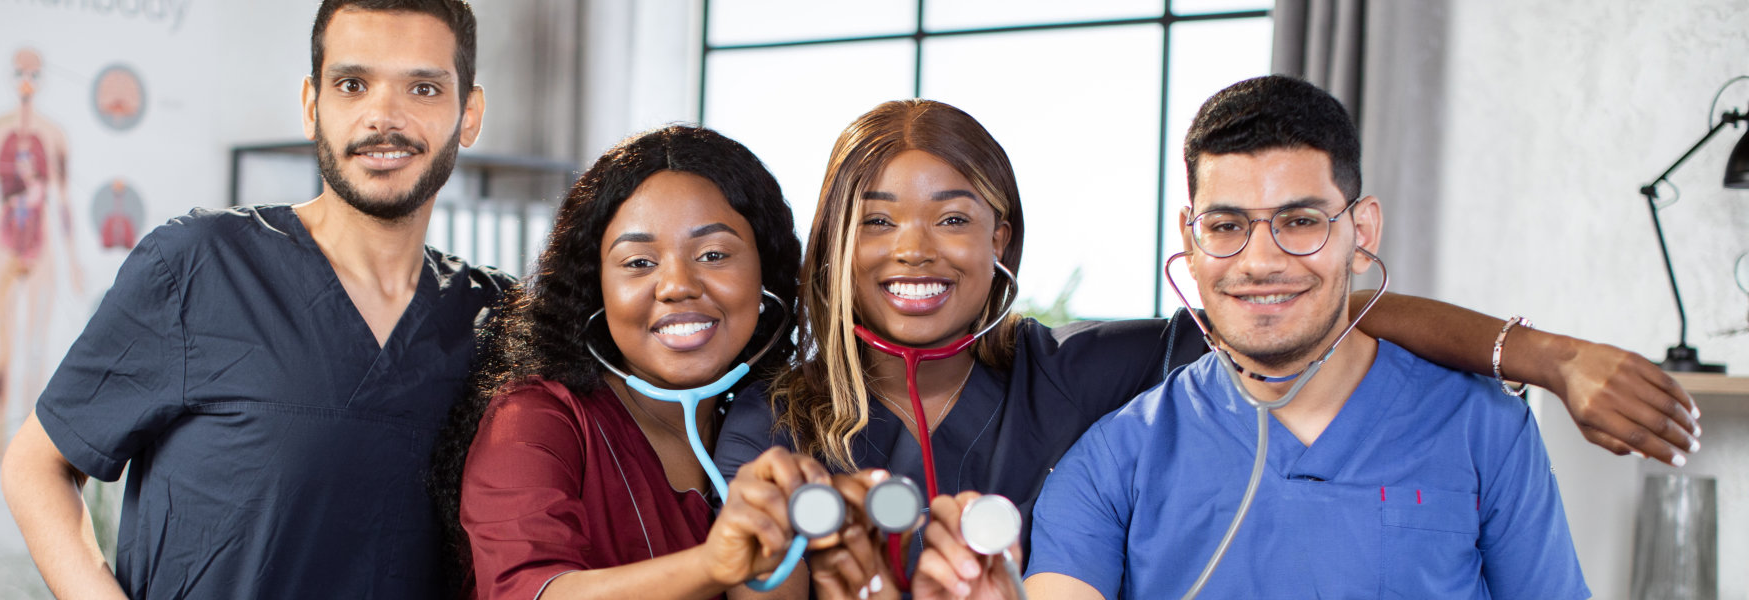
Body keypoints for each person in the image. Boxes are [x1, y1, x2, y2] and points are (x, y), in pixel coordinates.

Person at [714, 99, 1696, 599]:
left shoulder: (1074, 377)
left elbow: (1313, 310)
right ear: (834, 240)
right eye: (876, 219)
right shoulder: (771, 416)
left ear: (1002, 238)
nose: (914, 250)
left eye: (955, 217)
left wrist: (1552, 360)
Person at [922, 75, 1589, 599]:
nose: (1260, 260)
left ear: (1362, 234)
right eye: (1226, 225)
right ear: (1190, 238)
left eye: (1299, 221)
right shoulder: (1111, 462)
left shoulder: (1486, 432)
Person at [0, 1, 504, 597]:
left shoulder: (496, 322)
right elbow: (38, 464)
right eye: (352, 84)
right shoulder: (199, 265)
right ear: (312, 105)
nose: (383, 116)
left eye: (422, 87)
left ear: (468, 114)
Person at [445, 125, 842, 600]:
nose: (677, 285)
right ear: (596, 288)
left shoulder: (775, 431)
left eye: (713, 254)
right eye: (638, 263)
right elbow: (528, 590)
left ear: (766, 276)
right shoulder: (535, 420)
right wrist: (714, 564)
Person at [0, 47, 85, 465]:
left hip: (40, 243)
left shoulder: (53, 133)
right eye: (20, 71)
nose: (26, 79)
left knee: (36, 347)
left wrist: (74, 260)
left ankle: (26, 452)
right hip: (5, 241)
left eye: (33, 73)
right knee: (4, 346)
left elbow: (62, 199)